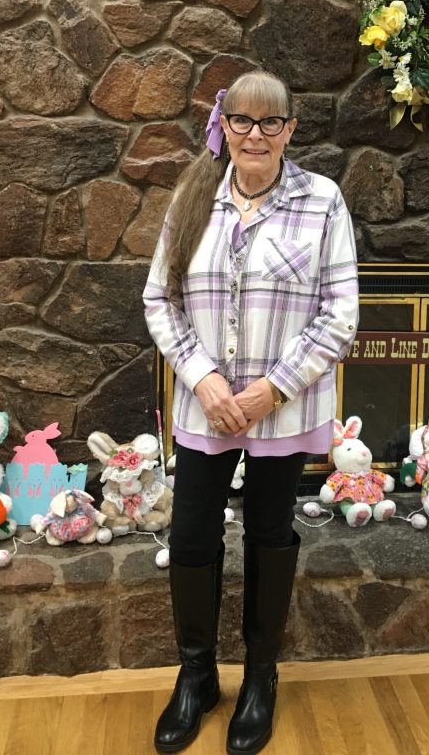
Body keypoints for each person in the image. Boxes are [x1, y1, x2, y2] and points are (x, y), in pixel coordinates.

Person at [143, 70, 358, 755]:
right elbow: (160, 300)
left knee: (270, 532)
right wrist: (204, 380)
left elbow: (339, 313)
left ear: (291, 130)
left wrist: (273, 389)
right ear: (223, 124)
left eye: (271, 123)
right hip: (205, 409)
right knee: (192, 536)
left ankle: (261, 676)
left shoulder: (321, 201)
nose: (256, 134)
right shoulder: (192, 195)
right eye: (243, 120)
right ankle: (197, 674)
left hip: (281, 411)